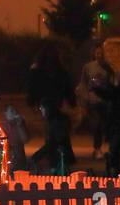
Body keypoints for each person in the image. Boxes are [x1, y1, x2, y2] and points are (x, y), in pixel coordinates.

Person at [27, 44, 75, 172]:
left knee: (54, 135)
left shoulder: (38, 71)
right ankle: (52, 161)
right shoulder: (60, 71)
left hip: (47, 107)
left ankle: (56, 162)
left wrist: (34, 103)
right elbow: (68, 89)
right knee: (57, 137)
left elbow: (32, 90)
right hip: (57, 107)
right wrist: (71, 103)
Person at [77, 44, 115, 159]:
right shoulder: (88, 67)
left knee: (107, 125)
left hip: (105, 101)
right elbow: (83, 84)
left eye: (101, 53)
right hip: (93, 101)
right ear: (94, 54)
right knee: (97, 124)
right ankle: (97, 149)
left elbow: (112, 82)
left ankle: (111, 149)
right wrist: (84, 101)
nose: (100, 55)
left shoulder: (108, 67)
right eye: (98, 53)